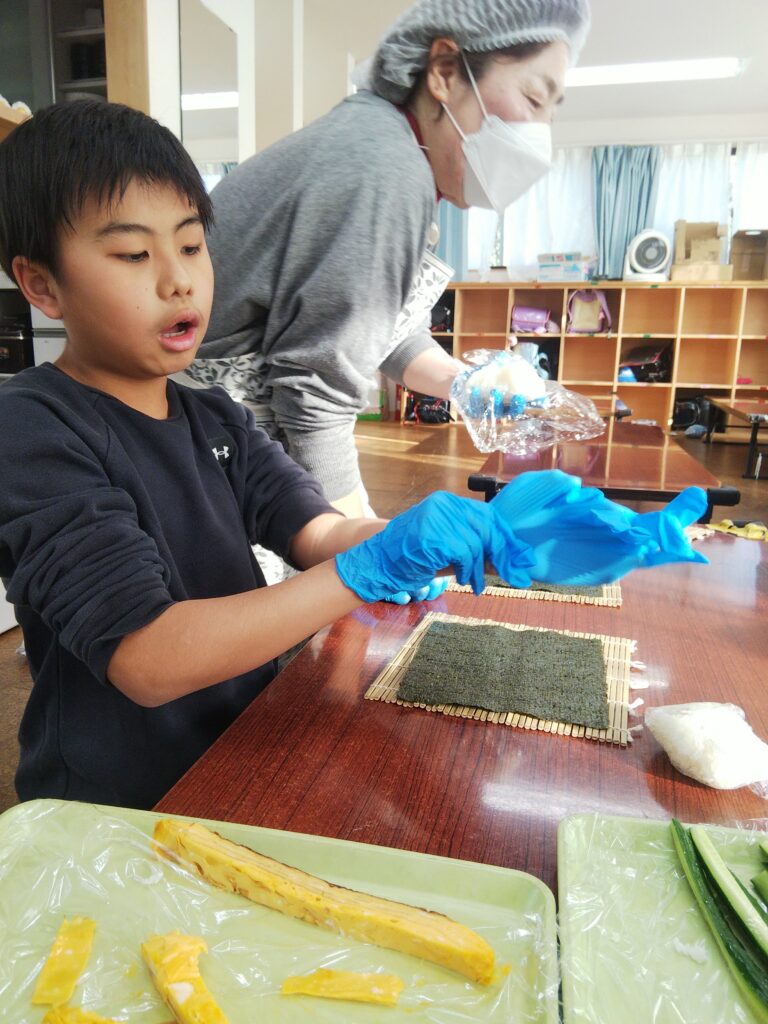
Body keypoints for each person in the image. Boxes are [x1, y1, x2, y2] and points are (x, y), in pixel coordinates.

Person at [0, 100, 705, 813]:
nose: (179, 280)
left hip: (241, 754)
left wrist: (465, 538)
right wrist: (370, 568)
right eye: (133, 254)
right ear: (42, 284)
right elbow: (147, 658)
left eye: (190, 245)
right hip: (113, 810)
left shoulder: (215, 417)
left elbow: (319, 532)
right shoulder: (33, 429)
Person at [187, 0, 591, 518]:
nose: (539, 135)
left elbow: (387, 332)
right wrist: (355, 533)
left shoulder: (391, 148)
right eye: (533, 98)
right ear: (444, 72)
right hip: (215, 442)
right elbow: (315, 400)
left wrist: (465, 382)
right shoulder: (383, 171)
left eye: (551, 112)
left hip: (235, 436)